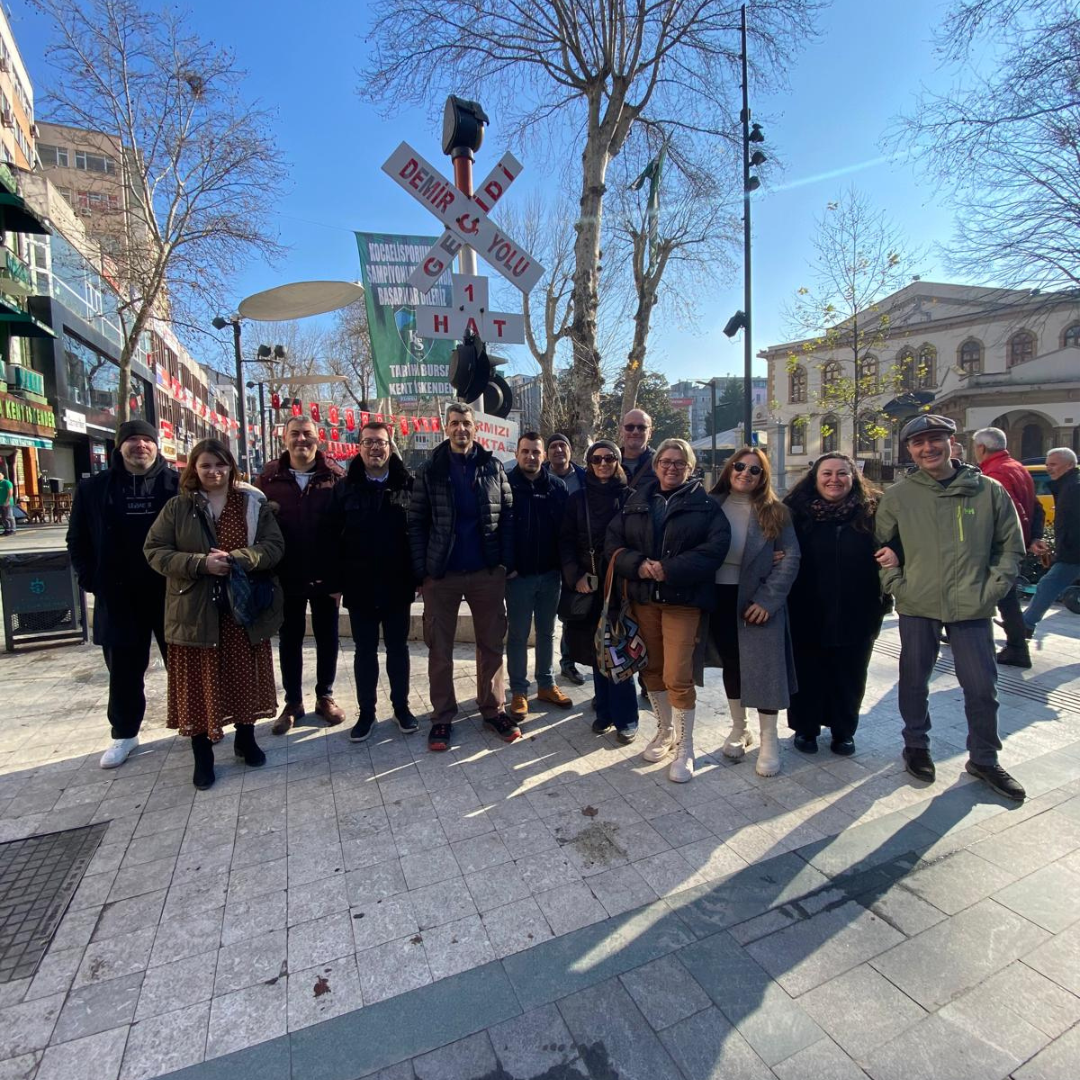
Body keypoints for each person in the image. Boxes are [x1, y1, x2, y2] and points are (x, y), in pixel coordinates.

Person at [875, 414, 1026, 801]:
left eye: (936, 439)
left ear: (952, 442)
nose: (928, 448)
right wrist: (897, 584)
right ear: (909, 450)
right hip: (918, 605)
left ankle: (984, 758)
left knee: (981, 688)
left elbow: (1010, 546)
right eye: (919, 442)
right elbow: (880, 549)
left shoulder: (988, 491)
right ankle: (916, 745)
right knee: (913, 681)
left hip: (972, 607)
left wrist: (992, 589)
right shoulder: (899, 496)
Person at [144, 439, 284, 789]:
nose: (213, 471)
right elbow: (155, 551)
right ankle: (202, 754)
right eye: (205, 465)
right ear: (194, 469)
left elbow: (273, 546)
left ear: (231, 468)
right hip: (194, 610)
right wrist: (199, 564)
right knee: (200, 682)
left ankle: (246, 738)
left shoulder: (251, 504)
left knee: (243, 675)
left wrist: (240, 559)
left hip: (241, 607)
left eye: (220, 465)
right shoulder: (178, 508)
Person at [607, 439, 730, 781]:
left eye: (680, 463)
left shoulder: (705, 506)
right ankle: (665, 732)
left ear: (691, 468)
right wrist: (639, 564)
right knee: (652, 670)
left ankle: (686, 747)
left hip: (682, 600)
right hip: (644, 598)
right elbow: (613, 542)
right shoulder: (637, 500)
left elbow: (715, 549)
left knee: (678, 675)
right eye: (665, 461)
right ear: (657, 464)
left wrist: (669, 568)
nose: (671, 467)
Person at [67, 420, 179, 769]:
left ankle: (195, 723)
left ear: (157, 446)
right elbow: (77, 538)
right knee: (124, 669)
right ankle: (124, 733)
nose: (140, 445)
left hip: (172, 591)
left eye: (147, 439)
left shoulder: (178, 485)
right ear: (119, 447)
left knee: (184, 662)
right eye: (132, 440)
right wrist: (91, 580)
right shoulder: (94, 489)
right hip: (117, 593)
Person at [409, 402, 516, 751]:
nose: (461, 429)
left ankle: (493, 708)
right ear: (447, 428)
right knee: (440, 648)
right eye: (455, 423)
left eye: (466, 423)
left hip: (486, 572)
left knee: (491, 645)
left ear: (475, 428)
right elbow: (416, 522)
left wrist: (504, 561)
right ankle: (442, 717)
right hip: (443, 574)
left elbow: (508, 515)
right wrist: (423, 571)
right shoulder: (430, 470)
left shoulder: (492, 466)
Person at [784, 453, 887, 756]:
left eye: (842, 473)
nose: (834, 480)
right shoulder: (796, 513)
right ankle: (806, 728)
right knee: (808, 671)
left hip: (859, 608)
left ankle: (843, 731)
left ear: (853, 478)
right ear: (814, 479)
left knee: (851, 672)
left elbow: (896, 544)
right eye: (826, 473)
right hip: (807, 608)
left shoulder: (872, 512)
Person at [708, 448, 800, 778]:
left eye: (755, 470)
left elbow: (790, 558)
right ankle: (739, 728)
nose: (746, 473)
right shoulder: (710, 504)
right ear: (729, 469)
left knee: (764, 669)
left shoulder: (775, 511)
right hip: (719, 596)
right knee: (732, 664)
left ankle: (769, 739)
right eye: (740, 466)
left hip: (758, 601)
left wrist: (767, 600)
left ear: (763, 477)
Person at [326, 421, 418, 742]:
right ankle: (367, 713)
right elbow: (332, 539)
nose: (375, 448)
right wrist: (336, 583)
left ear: (390, 447)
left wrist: (419, 577)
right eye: (369, 442)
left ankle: (401, 708)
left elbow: (418, 534)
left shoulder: (408, 484)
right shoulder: (344, 488)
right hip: (359, 584)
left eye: (381, 442)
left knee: (398, 649)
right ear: (359, 447)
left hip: (398, 583)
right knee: (364, 651)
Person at [255, 415, 346, 735]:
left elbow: (344, 529)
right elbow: (256, 529)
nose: (301, 440)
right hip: (285, 576)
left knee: (328, 637)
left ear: (318, 439)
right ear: (284, 439)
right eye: (295, 434)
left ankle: (325, 696)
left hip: (326, 575)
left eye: (307, 434)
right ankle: (293, 702)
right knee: (289, 640)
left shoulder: (334, 476)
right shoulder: (268, 479)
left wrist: (341, 578)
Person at [559, 440, 639, 739]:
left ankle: (626, 717)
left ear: (618, 461)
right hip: (589, 584)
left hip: (621, 584)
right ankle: (604, 711)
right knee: (597, 651)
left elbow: (639, 540)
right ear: (589, 463)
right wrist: (575, 576)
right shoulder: (577, 500)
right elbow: (565, 542)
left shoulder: (631, 498)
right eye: (596, 459)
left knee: (619, 650)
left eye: (609, 458)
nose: (603, 463)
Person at [506, 432, 571, 722]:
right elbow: (497, 528)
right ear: (517, 453)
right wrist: (508, 565)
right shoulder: (506, 484)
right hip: (518, 577)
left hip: (550, 575)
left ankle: (546, 684)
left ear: (543, 455)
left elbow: (567, 533)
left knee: (547, 632)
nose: (531, 457)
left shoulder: (557, 487)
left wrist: (564, 567)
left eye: (536, 452)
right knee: (518, 635)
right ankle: (519, 690)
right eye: (525, 451)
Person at [972, 427, 1037, 668]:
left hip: (999, 548)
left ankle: (1017, 648)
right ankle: (1016, 646)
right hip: (1010, 546)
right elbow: (1035, 507)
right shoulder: (1017, 467)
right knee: (1006, 598)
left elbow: (1009, 514)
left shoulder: (995, 474)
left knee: (1002, 598)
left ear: (981, 448)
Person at [1024, 447, 1079, 636]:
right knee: (1048, 584)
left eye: (1053, 464)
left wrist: (1064, 549)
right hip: (1071, 552)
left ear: (1070, 465)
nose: (1049, 468)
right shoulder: (1066, 486)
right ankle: (1026, 624)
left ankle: (1025, 624)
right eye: (1047, 464)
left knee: (1048, 584)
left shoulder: (1073, 487)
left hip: (1073, 553)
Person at [548, 432, 589, 686]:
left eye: (563, 445)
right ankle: (544, 671)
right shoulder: (538, 476)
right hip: (544, 555)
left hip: (575, 557)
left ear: (570, 450)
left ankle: (567, 662)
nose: (558, 450)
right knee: (546, 618)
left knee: (571, 612)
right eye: (553, 446)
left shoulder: (585, 477)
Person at [619, 409, 655, 490]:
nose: (635, 432)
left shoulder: (660, 463)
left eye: (641, 427)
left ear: (650, 433)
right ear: (621, 431)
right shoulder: (607, 462)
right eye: (629, 427)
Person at [0, 463, 15, 536]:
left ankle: (12, 529)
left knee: (9, 516)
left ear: (2, 475)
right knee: (3, 517)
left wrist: (7, 501)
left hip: (7, 503)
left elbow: (10, 492)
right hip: (0, 502)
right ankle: (7, 529)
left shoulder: (7, 482)